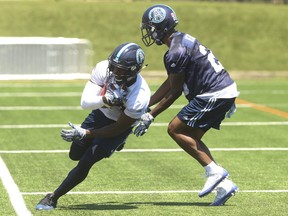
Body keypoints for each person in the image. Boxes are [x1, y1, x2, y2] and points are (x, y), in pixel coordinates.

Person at [134, 4, 239, 206]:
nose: (149, 32)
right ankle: (223, 185)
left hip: (214, 93)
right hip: (220, 91)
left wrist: (150, 115)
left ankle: (215, 171)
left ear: (159, 27)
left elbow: (175, 91)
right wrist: (148, 104)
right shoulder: (180, 40)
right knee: (192, 139)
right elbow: (171, 82)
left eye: (150, 27)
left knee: (175, 129)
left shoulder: (175, 51)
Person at [36, 42, 150, 210]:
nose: (115, 72)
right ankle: (117, 141)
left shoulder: (139, 96)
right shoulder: (104, 68)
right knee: (74, 154)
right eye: (114, 67)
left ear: (133, 71)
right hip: (100, 114)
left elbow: (117, 128)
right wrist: (105, 99)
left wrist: (85, 133)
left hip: (119, 126)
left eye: (121, 70)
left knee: (86, 161)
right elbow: (85, 103)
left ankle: (53, 197)